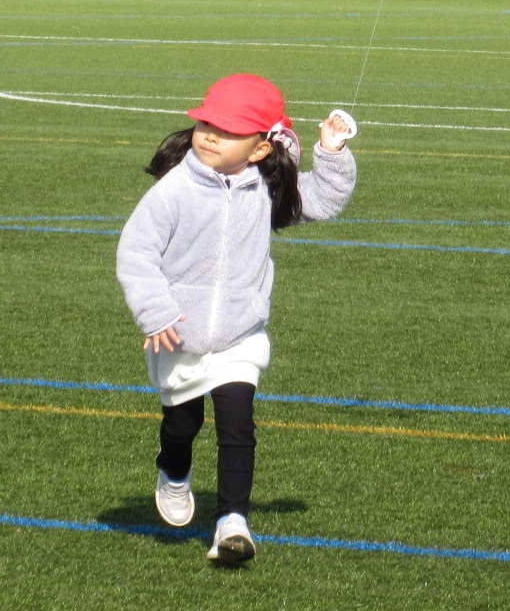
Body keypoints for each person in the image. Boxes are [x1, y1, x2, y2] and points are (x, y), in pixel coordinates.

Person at [115, 74, 357, 566]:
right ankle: (174, 472)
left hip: (239, 336)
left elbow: (324, 200)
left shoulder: (266, 191)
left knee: (237, 424)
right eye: (207, 123)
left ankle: (232, 522)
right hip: (177, 335)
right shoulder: (174, 190)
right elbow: (136, 252)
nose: (208, 134)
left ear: (260, 150)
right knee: (183, 425)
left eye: (226, 131)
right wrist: (156, 312)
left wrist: (329, 153)